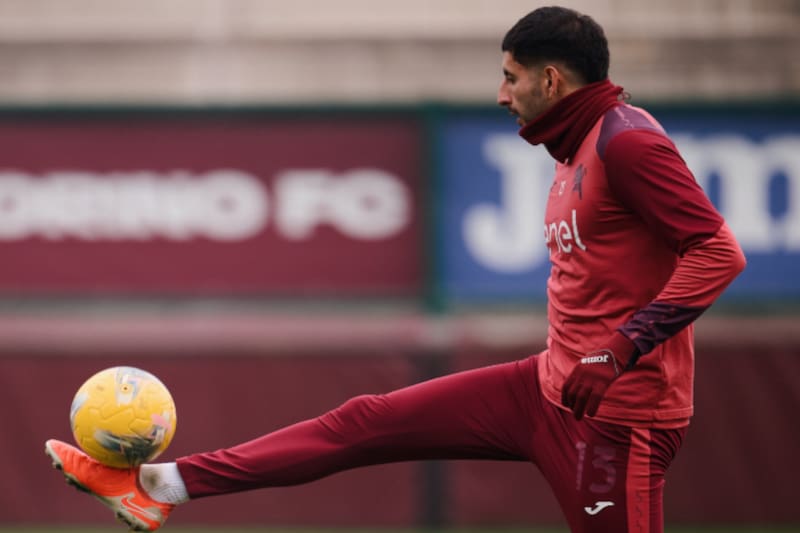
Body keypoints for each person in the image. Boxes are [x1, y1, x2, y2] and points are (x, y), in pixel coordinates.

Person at [44, 6, 746, 533]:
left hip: (617, 421)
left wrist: (619, 348)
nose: (502, 95)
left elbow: (719, 251)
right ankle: (158, 486)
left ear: (552, 78)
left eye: (511, 77)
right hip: (544, 388)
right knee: (364, 421)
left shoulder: (629, 144)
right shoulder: (572, 147)